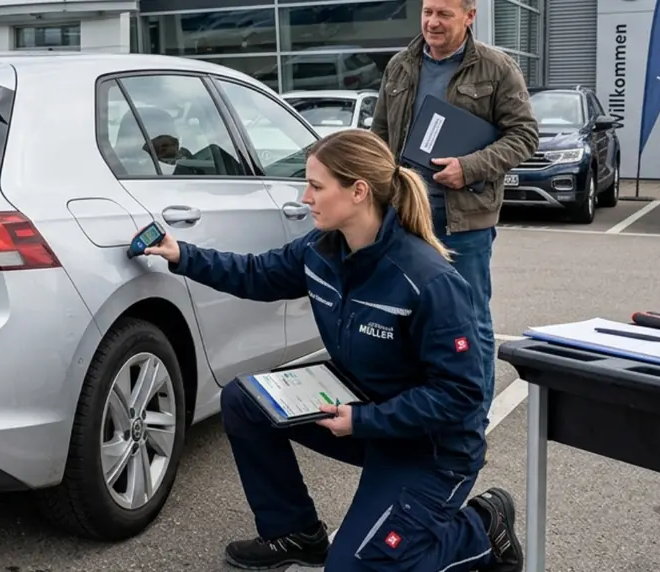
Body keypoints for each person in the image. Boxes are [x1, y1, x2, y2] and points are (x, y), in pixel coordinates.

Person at [143, 129, 523, 572]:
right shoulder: (321, 250)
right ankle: (294, 531)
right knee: (245, 401)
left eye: (317, 186)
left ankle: (481, 529)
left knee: (354, 568)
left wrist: (365, 420)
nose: (306, 197)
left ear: (358, 191)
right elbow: (257, 274)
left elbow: (461, 395)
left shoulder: (429, 280)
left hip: (432, 447)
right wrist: (180, 255)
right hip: (366, 416)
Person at [370, 0, 539, 425]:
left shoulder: (497, 68)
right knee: (408, 316)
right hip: (408, 215)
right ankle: (419, 406)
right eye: (427, 12)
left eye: (444, 13)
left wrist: (471, 167)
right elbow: (381, 134)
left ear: (469, 16)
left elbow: (525, 135)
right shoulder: (400, 65)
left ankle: (472, 418)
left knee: (470, 319)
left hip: (465, 220)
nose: (432, 22)